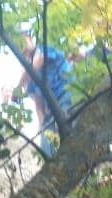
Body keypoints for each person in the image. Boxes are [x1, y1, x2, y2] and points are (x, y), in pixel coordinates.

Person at [14, 30, 72, 158]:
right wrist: (42, 127)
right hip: (51, 112)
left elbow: (38, 62)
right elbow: (38, 104)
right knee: (47, 143)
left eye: (23, 41)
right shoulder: (30, 80)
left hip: (66, 97)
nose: (23, 50)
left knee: (69, 135)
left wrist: (18, 88)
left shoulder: (44, 50)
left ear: (29, 38)